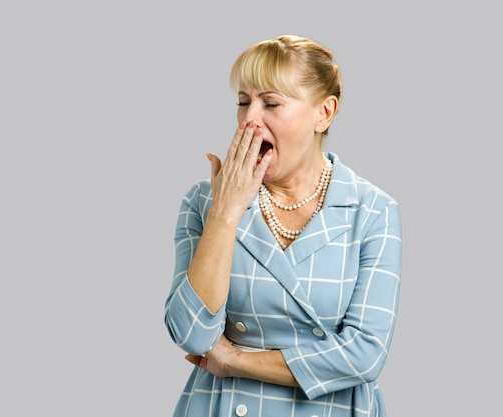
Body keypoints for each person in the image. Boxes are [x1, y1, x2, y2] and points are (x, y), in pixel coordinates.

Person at [164, 34, 402, 417]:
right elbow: (191, 334)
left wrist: (234, 361)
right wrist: (226, 212)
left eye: (271, 103)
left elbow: (364, 356)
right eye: (243, 102)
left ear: (324, 113)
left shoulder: (372, 210)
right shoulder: (206, 199)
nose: (249, 119)